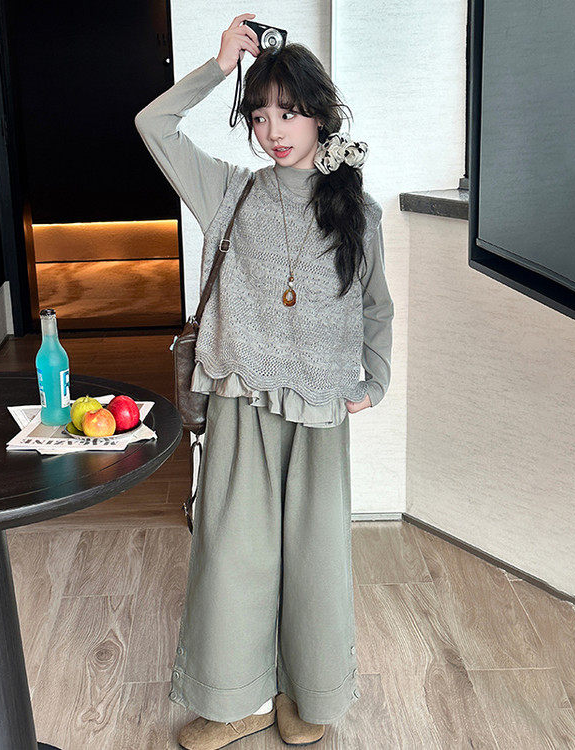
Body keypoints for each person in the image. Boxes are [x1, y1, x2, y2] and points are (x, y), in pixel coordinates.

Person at [134, 12, 394, 750]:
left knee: (315, 559)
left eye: (289, 112)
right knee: (233, 556)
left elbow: (376, 305)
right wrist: (220, 67)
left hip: (320, 409)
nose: (273, 130)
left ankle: (308, 693)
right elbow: (153, 125)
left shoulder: (357, 212)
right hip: (241, 400)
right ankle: (236, 700)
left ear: (321, 115)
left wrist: (374, 379)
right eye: (259, 115)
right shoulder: (229, 192)